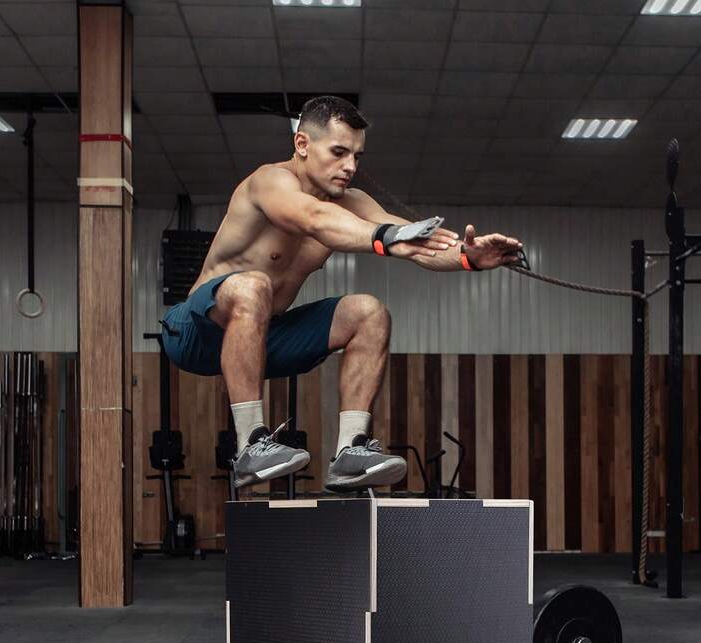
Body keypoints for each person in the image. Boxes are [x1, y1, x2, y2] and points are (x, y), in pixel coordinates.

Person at [161, 95, 522, 491]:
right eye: (338, 152)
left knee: (369, 312)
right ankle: (250, 446)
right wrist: (387, 238)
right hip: (196, 333)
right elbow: (314, 219)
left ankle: (351, 453)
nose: (350, 166)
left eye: (356, 155)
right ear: (302, 145)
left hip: (262, 337)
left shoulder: (351, 203)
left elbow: (414, 242)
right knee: (254, 283)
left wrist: (469, 257)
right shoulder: (270, 181)